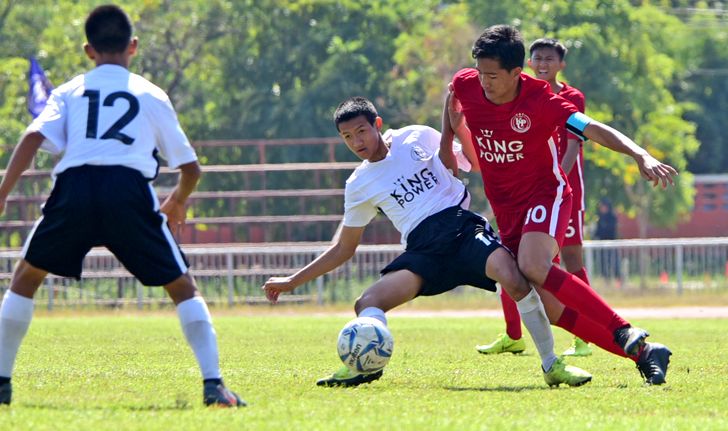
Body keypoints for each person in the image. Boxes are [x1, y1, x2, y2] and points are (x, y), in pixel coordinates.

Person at [0, 5, 243, 407]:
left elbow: (30, 138)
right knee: (182, 287)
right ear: (133, 46)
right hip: (128, 189)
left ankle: (2, 383)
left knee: (25, 278)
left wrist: (4, 191)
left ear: (87, 50)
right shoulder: (150, 93)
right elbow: (192, 167)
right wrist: (177, 200)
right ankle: (214, 385)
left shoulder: (70, 90)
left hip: (75, 186)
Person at [263, 96, 592, 388]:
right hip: (424, 251)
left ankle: (551, 364)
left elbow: (470, 163)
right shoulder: (358, 184)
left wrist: (458, 124)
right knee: (366, 304)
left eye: (361, 131)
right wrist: (292, 281)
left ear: (377, 125)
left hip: (462, 230)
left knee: (516, 280)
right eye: (347, 137)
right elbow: (344, 248)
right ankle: (366, 368)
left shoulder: (416, 136)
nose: (357, 141)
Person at [448, 24, 675, 385]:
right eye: (480, 73)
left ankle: (623, 329)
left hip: (546, 194)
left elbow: (592, 127)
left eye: (492, 76)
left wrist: (640, 153)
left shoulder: (541, 101)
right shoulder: (467, 83)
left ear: (514, 73)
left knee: (532, 264)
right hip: (506, 209)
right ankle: (645, 353)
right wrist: (452, 140)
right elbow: (455, 98)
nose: (484, 82)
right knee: (553, 311)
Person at [478, 38, 593, 358]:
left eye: (549, 59)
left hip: (561, 190)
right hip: (526, 192)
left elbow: (573, 144)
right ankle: (513, 334)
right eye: (537, 58)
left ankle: (583, 336)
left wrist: (556, 181)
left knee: (571, 261)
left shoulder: (571, 97)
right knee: (510, 260)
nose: (543, 63)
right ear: (527, 64)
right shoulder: (517, 95)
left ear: (561, 65)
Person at [594, 198, 620, 282]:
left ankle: (617, 280)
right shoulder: (599, 218)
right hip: (602, 245)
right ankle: (606, 280)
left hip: (611, 244)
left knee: (614, 263)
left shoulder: (612, 217)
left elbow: (612, 230)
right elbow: (598, 232)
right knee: (603, 264)